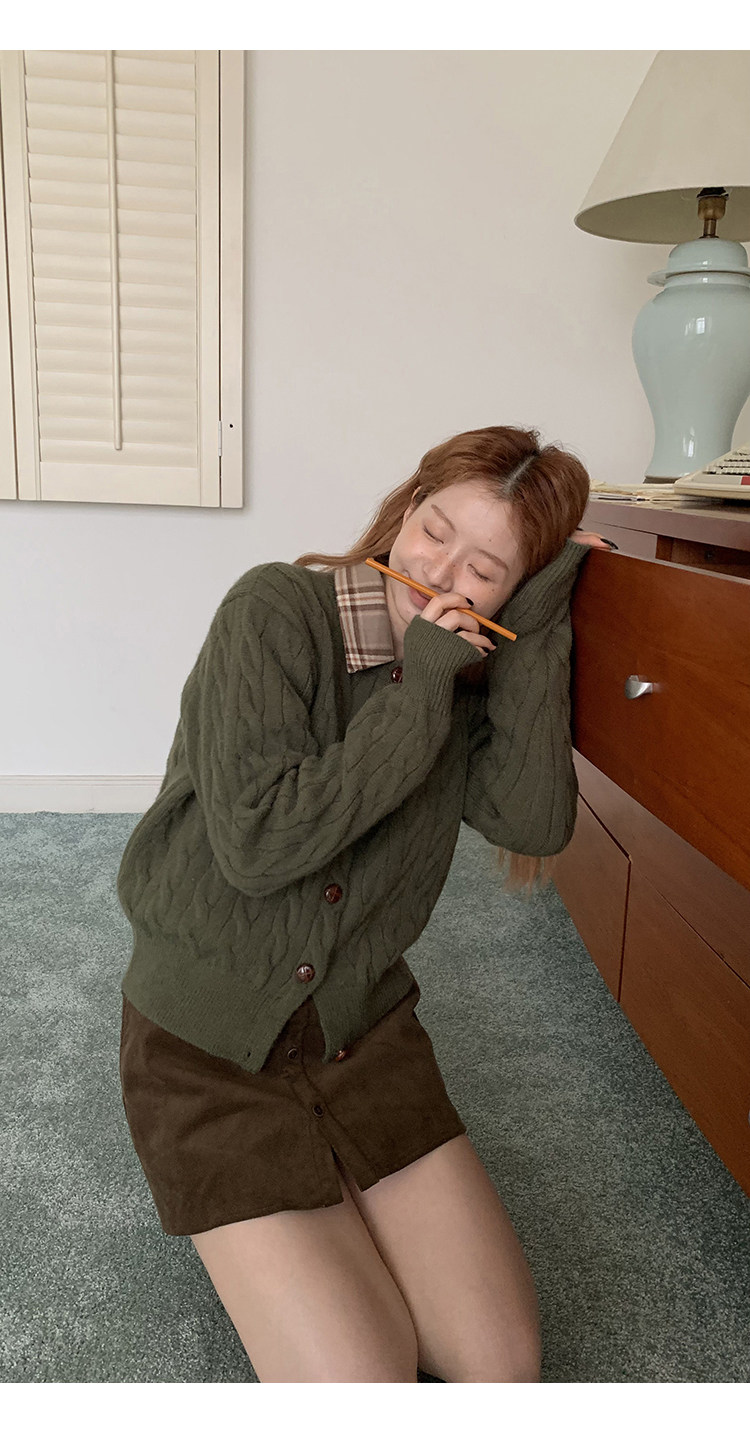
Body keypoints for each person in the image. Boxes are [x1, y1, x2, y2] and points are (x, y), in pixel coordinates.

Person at [117, 424, 612, 1383]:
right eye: (434, 531)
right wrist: (419, 685)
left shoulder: (465, 667)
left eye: (487, 571)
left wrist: (539, 622)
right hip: (209, 1050)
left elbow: (533, 819)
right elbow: (262, 845)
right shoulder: (273, 609)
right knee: (364, 1381)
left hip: (362, 1036)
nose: (441, 575)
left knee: (500, 1366)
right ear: (406, 506)